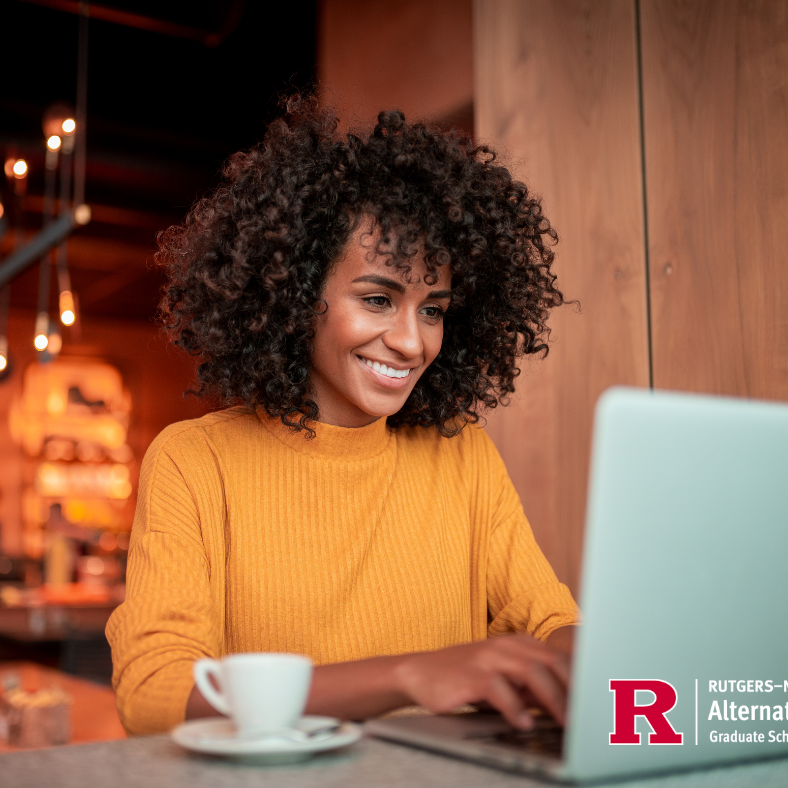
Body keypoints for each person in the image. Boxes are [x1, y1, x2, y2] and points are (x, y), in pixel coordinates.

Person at [106, 93, 580, 736]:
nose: (413, 343)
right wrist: (408, 676)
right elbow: (155, 694)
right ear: (297, 294)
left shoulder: (463, 456)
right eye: (378, 299)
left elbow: (554, 626)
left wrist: (589, 658)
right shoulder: (197, 463)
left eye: (433, 309)